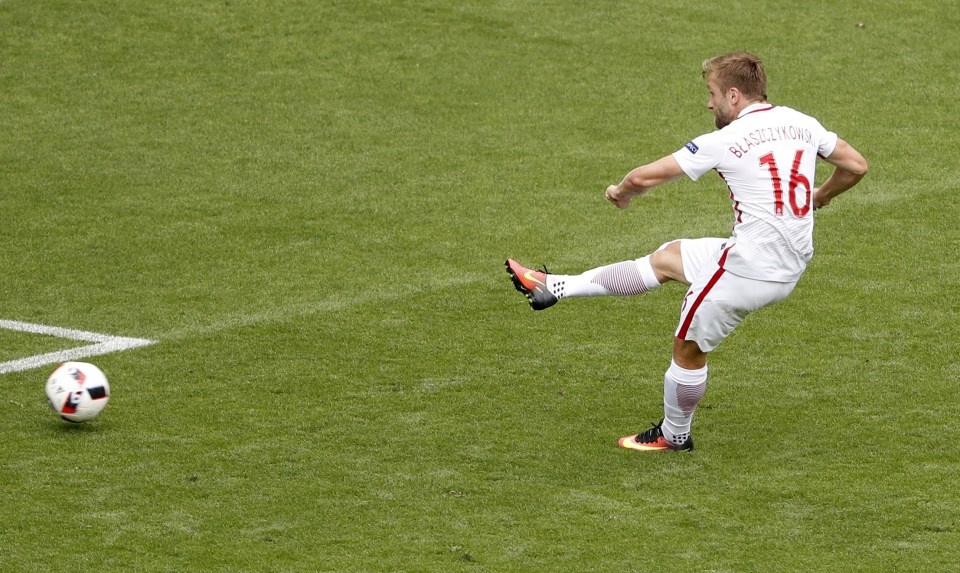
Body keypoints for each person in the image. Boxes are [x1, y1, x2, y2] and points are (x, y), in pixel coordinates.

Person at [505, 51, 868, 452]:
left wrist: (620, 192)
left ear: (733, 95)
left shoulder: (726, 140)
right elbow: (855, 165)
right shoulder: (803, 123)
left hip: (747, 271)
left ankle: (673, 434)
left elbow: (645, 176)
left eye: (712, 93)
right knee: (667, 258)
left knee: (688, 350)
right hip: (788, 261)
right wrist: (820, 196)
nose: (709, 103)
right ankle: (555, 286)